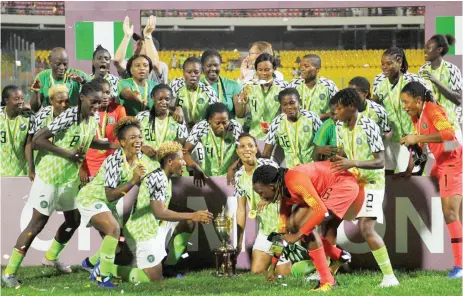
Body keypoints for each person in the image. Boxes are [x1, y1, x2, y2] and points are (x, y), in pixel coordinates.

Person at [2, 81, 119, 288]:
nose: (96, 107)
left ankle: (51, 256)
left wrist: (115, 145)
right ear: (82, 98)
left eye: (99, 103)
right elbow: (38, 140)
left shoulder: (91, 118)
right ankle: (9, 272)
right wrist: (67, 153)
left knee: (73, 220)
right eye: (93, 102)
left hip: (68, 179)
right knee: (37, 224)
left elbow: (91, 141)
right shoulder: (69, 116)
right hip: (50, 177)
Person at [90, 142, 212, 284]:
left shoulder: (166, 177)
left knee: (188, 223)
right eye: (181, 159)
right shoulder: (157, 178)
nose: (184, 163)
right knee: (153, 279)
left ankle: (169, 266)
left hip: (157, 227)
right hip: (143, 232)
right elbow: (159, 212)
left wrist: (191, 216)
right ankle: (107, 269)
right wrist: (193, 214)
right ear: (170, 161)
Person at [252, 162, 358, 292]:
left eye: (261, 192)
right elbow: (282, 235)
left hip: (342, 184)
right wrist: (272, 268)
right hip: (328, 187)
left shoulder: (294, 182)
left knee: (304, 228)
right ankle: (339, 255)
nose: (261, 198)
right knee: (292, 225)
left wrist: (296, 236)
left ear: (271, 187)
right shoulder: (284, 193)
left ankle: (328, 282)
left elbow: (321, 210)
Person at [332, 88, 399, 288]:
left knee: (365, 228)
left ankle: (390, 277)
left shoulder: (369, 125)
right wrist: (338, 160)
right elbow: (345, 152)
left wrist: (351, 162)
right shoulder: (339, 127)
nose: (336, 112)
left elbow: (380, 162)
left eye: (340, 108)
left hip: (371, 182)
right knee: (328, 222)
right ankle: (327, 270)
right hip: (351, 183)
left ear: (351, 107)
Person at [77, 117, 151, 288]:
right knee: (113, 229)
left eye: (139, 136)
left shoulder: (141, 158)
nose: (138, 141)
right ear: (122, 142)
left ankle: (89, 263)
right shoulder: (114, 161)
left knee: (117, 246)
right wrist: (133, 180)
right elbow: (110, 195)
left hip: (106, 203)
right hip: (91, 198)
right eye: (132, 138)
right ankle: (102, 277)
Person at [399, 81, 462, 279]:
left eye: (406, 102)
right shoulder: (415, 117)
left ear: (419, 100)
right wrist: (410, 169)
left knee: (450, 213)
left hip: (452, 162)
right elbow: (418, 147)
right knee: (450, 208)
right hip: (441, 162)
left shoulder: (433, 110)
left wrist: (417, 139)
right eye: (402, 102)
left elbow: (448, 135)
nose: (404, 106)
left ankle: (460, 267)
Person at [234, 133, 291, 275]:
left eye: (250, 145)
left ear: (256, 149)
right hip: (265, 231)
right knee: (256, 272)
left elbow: (284, 190)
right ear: (237, 151)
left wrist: (265, 198)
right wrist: (239, 242)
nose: (247, 149)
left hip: (281, 227)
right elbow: (241, 209)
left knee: (282, 275)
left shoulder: (268, 165)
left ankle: (302, 262)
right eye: (242, 146)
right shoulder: (239, 176)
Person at [372, 47, 428, 174]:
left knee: (413, 178)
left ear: (399, 61)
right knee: (387, 176)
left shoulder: (414, 80)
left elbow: (428, 105)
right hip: (389, 139)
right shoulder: (379, 82)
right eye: (382, 64)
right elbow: (375, 109)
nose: (384, 67)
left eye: (389, 63)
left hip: (410, 139)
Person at [184, 102, 243, 186]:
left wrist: (232, 168)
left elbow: (244, 153)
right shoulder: (201, 127)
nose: (222, 126)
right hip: (206, 177)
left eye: (225, 122)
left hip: (230, 177)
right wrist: (195, 167)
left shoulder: (235, 127)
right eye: (218, 123)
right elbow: (185, 151)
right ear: (209, 120)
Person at [80, 78, 127, 181]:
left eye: (108, 92)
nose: (106, 96)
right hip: (88, 166)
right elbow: (78, 142)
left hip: (111, 165)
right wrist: (81, 167)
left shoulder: (119, 109)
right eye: (102, 93)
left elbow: (121, 138)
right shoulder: (86, 112)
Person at [263, 88, 321, 168]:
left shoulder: (311, 118)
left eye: (292, 103)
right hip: (292, 171)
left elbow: (323, 144)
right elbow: (266, 153)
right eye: (285, 104)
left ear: (299, 102)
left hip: (313, 168)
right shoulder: (277, 122)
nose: (289, 107)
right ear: (281, 105)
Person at [419, 34, 462, 141]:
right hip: (430, 127)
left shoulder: (452, 69)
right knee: (433, 158)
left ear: (439, 50)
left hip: (449, 127)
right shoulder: (422, 70)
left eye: (428, 48)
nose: (425, 50)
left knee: (452, 157)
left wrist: (436, 82)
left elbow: (458, 99)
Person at [239, 53, 288, 140]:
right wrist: (242, 103)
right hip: (254, 136)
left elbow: (286, 114)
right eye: (260, 70)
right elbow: (242, 114)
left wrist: (274, 128)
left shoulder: (283, 87)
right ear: (256, 70)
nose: (263, 73)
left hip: (277, 137)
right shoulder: (249, 86)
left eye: (267, 69)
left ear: (274, 69)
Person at [136, 84, 188, 162]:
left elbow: (182, 140)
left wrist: (169, 149)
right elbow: (131, 139)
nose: (164, 102)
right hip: (145, 161)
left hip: (168, 162)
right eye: (160, 99)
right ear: (153, 98)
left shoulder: (176, 117)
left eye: (167, 99)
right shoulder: (141, 117)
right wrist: (142, 148)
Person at [29, 84, 70, 177]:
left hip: (65, 166)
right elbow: (33, 143)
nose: (64, 105)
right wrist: (31, 169)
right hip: (44, 166)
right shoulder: (42, 115)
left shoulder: (73, 115)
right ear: (51, 100)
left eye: (67, 101)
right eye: (60, 102)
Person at [114, 16, 169, 84]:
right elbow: (117, 61)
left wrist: (147, 35)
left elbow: (154, 63)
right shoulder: (131, 64)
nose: (135, 45)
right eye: (136, 43)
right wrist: (127, 36)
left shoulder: (162, 66)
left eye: (139, 44)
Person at [170, 57, 219, 129]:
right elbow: (165, 107)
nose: (193, 75)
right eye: (189, 72)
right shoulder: (176, 85)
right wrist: (176, 108)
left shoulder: (209, 91)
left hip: (200, 132)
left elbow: (216, 114)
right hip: (178, 130)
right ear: (183, 72)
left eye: (196, 72)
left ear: (201, 72)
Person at [289, 54, 338, 121]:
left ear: (317, 70)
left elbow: (338, 109)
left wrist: (317, 118)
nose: (302, 69)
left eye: (306, 66)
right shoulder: (293, 85)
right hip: (298, 127)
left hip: (322, 128)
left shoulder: (329, 85)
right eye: (301, 66)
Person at [0, 85, 34, 177]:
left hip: (21, 172)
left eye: (22, 98)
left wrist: (31, 169)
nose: (21, 102)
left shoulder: (29, 116)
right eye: (16, 99)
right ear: (6, 100)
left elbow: (29, 143)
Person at [200, 50, 245, 119]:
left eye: (216, 65)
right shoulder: (196, 85)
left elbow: (240, 115)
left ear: (220, 65)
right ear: (203, 67)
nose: (213, 68)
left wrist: (243, 102)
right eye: (209, 66)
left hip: (227, 128)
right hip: (202, 128)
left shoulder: (233, 85)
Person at [312, 97, 338, 161]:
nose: (335, 118)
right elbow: (316, 152)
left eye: (337, 114)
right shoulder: (327, 125)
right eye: (332, 114)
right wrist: (320, 150)